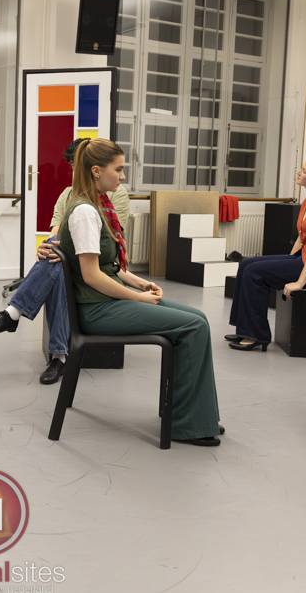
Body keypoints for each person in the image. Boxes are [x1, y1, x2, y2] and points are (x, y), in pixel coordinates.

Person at [58, 139, 221, 445]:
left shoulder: (96, 206)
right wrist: (138, 297)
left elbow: (109, 266)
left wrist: (139, 282)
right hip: (97, 310)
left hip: (105, 302)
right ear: (96, 171)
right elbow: (92, 276)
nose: (122, 177)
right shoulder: (84, 213)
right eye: (118, 169)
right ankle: (187, 425)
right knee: (194, 326)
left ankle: (195, 414)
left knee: (198, 318)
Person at [0, 139, 130, 385]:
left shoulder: (116, 193)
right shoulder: (67, 194)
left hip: (99, 261)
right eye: (72, 166)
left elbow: (109, 237)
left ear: (92, 167)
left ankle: (15, 315)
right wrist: (51, 247)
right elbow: (57, 232)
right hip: (73, 259)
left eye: (78, 164)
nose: (74, 171)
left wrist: (62, 248)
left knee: (58, 263)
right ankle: (58, 355)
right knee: (56, 265)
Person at [227, 157, 306, 351]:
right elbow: (302, 237)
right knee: (246, 265)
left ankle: (255, 335)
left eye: (304, 171)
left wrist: (299, 282)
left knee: (254, 272)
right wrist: (288, 260)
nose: (298, 173)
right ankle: (244, 327)